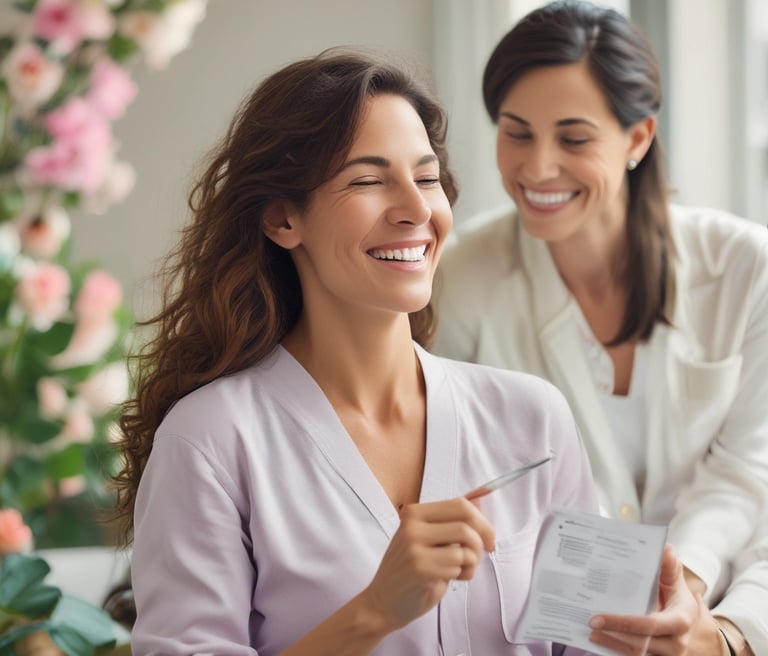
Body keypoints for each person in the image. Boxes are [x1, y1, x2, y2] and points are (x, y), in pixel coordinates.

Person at [114, 47, 697, 656]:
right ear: (283, 218)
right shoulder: (210, 440)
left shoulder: (533, 418)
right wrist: (373, 613)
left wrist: (659, 634)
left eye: (426, 179)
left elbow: (592, 645)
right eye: (368, 181)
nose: (417, 210)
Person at [431, 2, 768, 655]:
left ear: (637, 138)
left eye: (574, 138)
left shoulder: (747, 269)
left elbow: (747, 469)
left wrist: (685, 599)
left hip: (726, 599)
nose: (537, 168)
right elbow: (446, 479)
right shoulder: (464, 276)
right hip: (554, 629)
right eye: (517, 132)